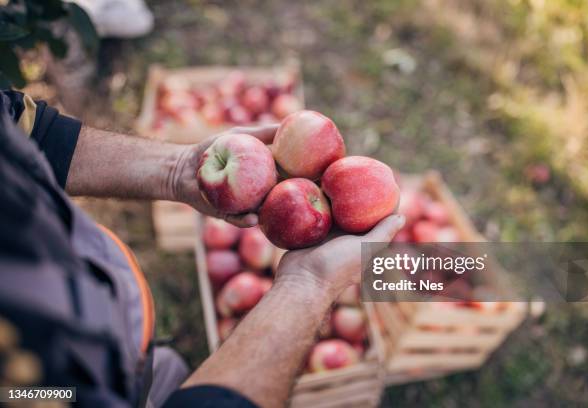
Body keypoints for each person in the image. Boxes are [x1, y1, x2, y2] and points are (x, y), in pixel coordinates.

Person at [0, 89, 405, 407]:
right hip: (64, 385)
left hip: (110, 322)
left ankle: (139, 375)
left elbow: (22, 127)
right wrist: (309, 283)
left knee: (146, 376)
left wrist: (178, 171)